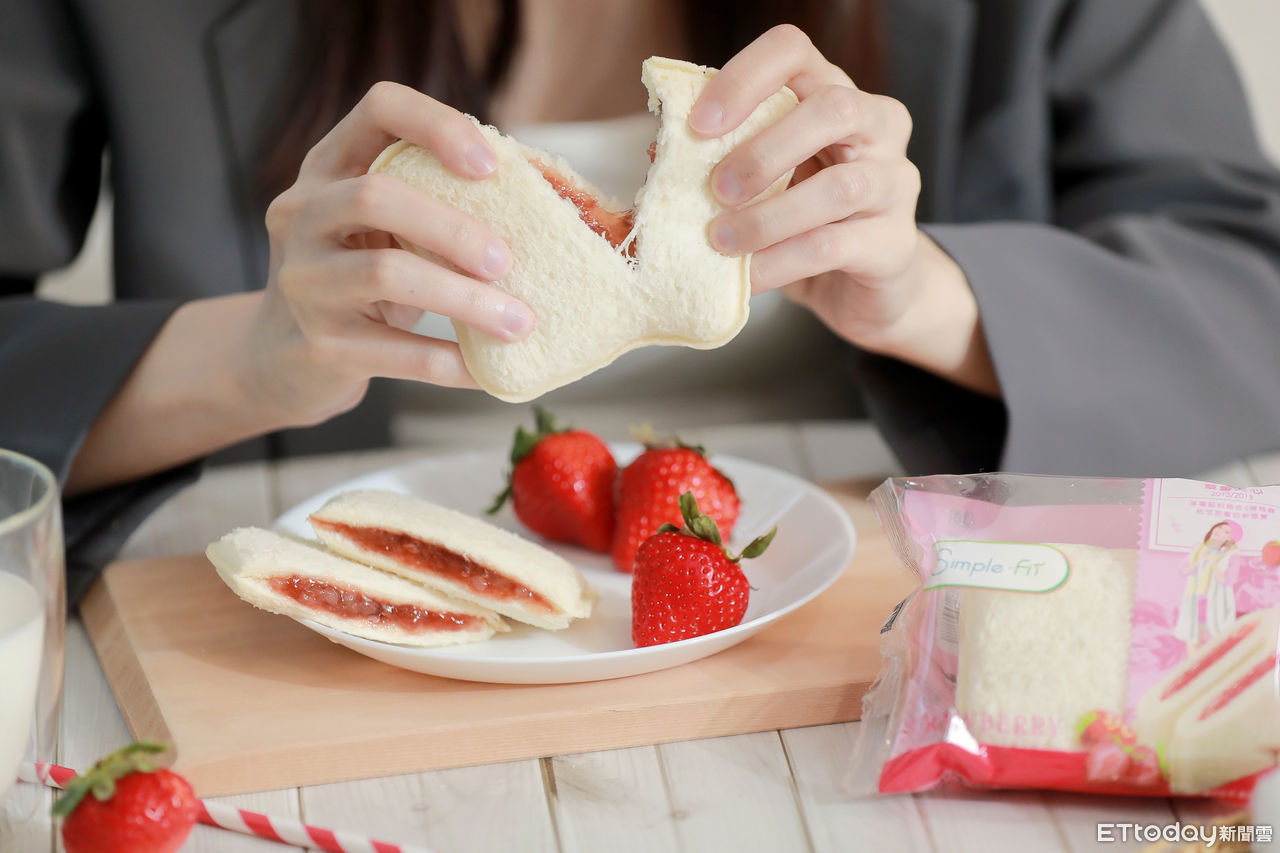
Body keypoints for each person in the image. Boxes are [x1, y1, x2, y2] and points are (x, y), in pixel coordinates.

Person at [3, 0, 1280, 604]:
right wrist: (244, 359)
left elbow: (1250, 283)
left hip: (853, 621)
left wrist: (927, 298)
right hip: (322, 641)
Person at [1175, 520, 1240, 650]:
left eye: (1226, 532)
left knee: (1217, 641)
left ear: (1231, 539)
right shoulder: (1199, 548)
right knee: (1194, 637)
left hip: (1217, 602)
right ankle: (1193, 661)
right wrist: (1200, 559)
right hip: (1196, 599)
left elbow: (1226, 581)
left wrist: (1214, 562)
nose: (1219, 531)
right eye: (1219, 527)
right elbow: (1184, 571)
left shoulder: (1231, 556)